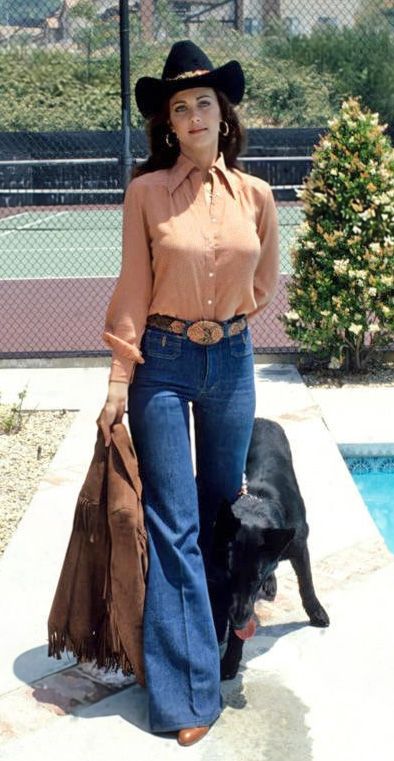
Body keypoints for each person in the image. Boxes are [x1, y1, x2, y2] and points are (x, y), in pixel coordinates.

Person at [96, 40, 279, 746]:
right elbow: (133, 288)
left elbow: (262, 285)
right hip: (164, 366)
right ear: (168, 124)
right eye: (181, 106)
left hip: (231, 360)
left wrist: (225, 324)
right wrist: (120, 377)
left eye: (205, 102)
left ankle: (220, 622)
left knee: (217, 510)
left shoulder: (256, 196)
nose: (195, 115)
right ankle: (185, 692)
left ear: (222, 114)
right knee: (173, 524)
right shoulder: (144, 194)